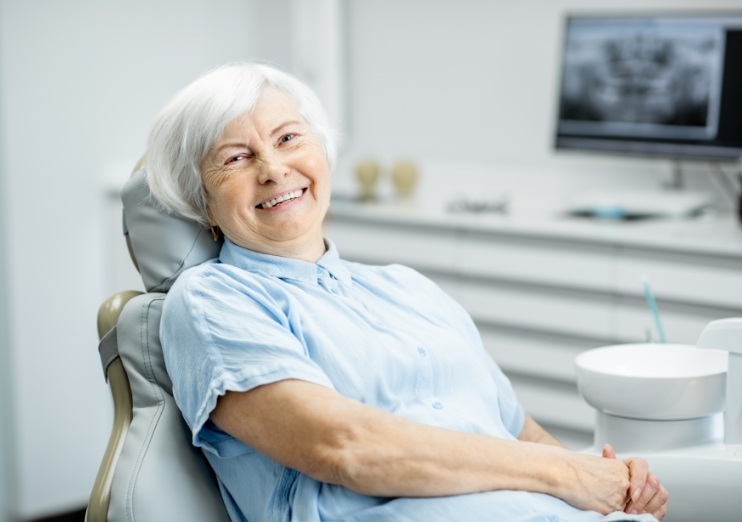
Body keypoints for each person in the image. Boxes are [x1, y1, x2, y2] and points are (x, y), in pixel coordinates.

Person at [146, 62, 668, 522]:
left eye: (288, 138)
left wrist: (610, 487)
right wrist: (562, 472)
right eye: (236, 158)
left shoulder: (408, 287)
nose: (273, 168)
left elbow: (517, 431)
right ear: (205, 205)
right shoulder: (213, 300)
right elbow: (348, 448)